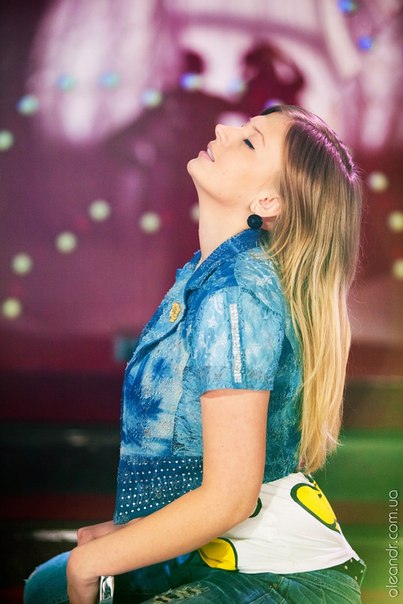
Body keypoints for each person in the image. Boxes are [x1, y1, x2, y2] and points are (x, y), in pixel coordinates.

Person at [24, 104, 365, 604]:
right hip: (211, 549)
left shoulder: (238, 292)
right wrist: (125, 533)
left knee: (76, 571)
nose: (223, 129)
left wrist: (92, 561)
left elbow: (230, 496)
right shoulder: (208, 275)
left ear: (268, 200)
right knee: (48, 588)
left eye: (249, 140)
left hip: (275, 573)